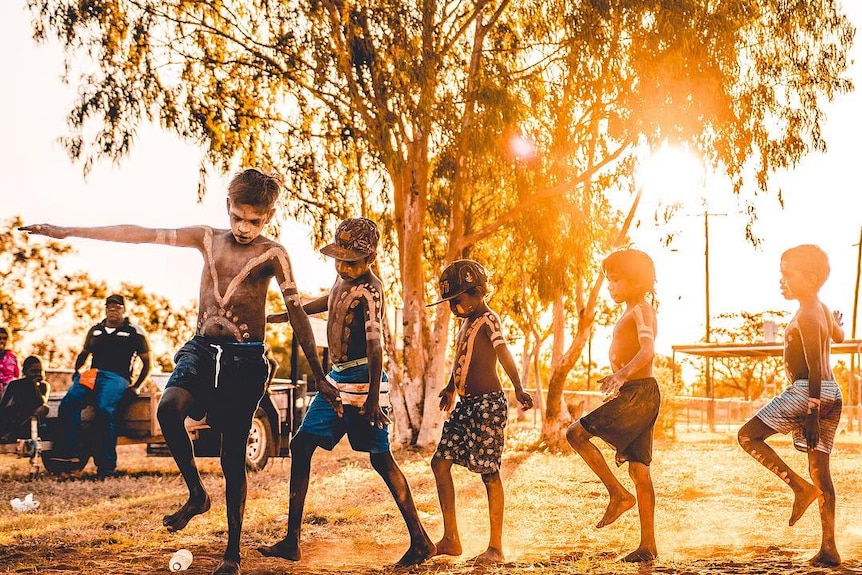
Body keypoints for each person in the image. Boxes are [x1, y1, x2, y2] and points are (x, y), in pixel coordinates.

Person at [20, 168, 331, 575]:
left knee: (232, 454)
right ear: (227, 207)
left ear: (269, 216)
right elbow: (141, 233)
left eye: (255, 221)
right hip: (201, 349)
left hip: (244, 359)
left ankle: (231, 553)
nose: (243, 227)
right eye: (238, 216)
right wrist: (67, 230)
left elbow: (297, 315)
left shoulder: (273, 254)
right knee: (168, 408)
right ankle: (196, 495)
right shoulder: (206, 237)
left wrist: (321, 374)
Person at [258, 217, 436, 567]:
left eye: (352, 261)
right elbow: (331, 300)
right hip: (337, 379)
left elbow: (375, 347)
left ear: (370, 260)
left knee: (380, 459)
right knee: (301, 444)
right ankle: (291, 541)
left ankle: (420, 541)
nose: (343, 266)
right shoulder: (344, 277)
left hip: (363, 382)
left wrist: (372, 399)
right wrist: (288, 315)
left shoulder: (371, 290)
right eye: (339, 259)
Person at [737, 244, 844, 567]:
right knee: (821, 473)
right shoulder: (821, 308)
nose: (781, 281)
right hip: (833, 393)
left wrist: (810, 413)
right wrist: (837, 320)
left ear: (811, 279)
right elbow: (838, 337)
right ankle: (829, 548)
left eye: (787, 275)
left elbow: (812, 367)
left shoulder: (809, 315)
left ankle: (799, 488)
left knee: (747, 436)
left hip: (808, 391)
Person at [426, 259, 533, 565]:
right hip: (465, 405)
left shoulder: (488, 319)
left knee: (489, 472)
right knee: (440, 462)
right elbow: (462, 358)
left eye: (456, 299)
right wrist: (450, 387)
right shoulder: (467, 322)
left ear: (475, 292)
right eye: (449, 302)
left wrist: (518, 386)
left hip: (488, 405)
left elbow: (503, 352)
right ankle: (451, 538)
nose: (453, 307)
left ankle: (496, 548)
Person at [565, 249, 660, 563]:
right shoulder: (632, 309)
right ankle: (648, 546)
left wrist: (621, 374)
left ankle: (618, 495)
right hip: (636, 392)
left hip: (639, 393)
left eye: (614, 281)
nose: (610, 288)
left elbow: (647, 350)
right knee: (640, 471)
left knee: (575, 434)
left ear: (634, 281)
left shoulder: (642, 310)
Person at [57, 293, 152, 477]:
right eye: (109, 307)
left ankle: (106, 465)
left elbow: (148, 363)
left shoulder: (134, 331)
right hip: (93, 373)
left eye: (117, 307)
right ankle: (72, 455)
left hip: (117, 377)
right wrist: (77, 371)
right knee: (68, 402)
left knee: (104, 409)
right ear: (105, 309)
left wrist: (137, 386)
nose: (113, 310)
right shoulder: (95, 330)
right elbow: (84, 353)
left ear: (124, 310)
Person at [0, 355, 50, 441]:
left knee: (44, 408)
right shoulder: (15, 384)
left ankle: (11, 434)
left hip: (33, 419)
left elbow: (42, 403)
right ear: (25, 372)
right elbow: (3, 405)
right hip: (18, 416)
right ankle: (9, 433)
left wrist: (35, 386)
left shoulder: (44, 385)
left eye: (40, 371)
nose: (37, 374)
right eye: (33, 371)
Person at [0, 327, 21, 398]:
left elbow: (17, 376)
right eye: (0, 338)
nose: (2, 341)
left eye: (5, 339)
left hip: (9, 390)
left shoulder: (13, 358)